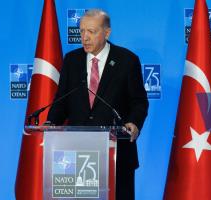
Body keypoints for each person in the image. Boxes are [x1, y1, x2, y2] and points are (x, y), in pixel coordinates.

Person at [47, 9, 148, 200]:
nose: (84, 37)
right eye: (82, 31)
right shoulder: (72, 60)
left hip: (117, 152)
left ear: (107, 33)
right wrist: (50, 123)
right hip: (76, 154)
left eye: (91, 32)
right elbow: (61, 101)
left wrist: (133, 123)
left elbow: (139, 101)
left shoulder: (127, 60)